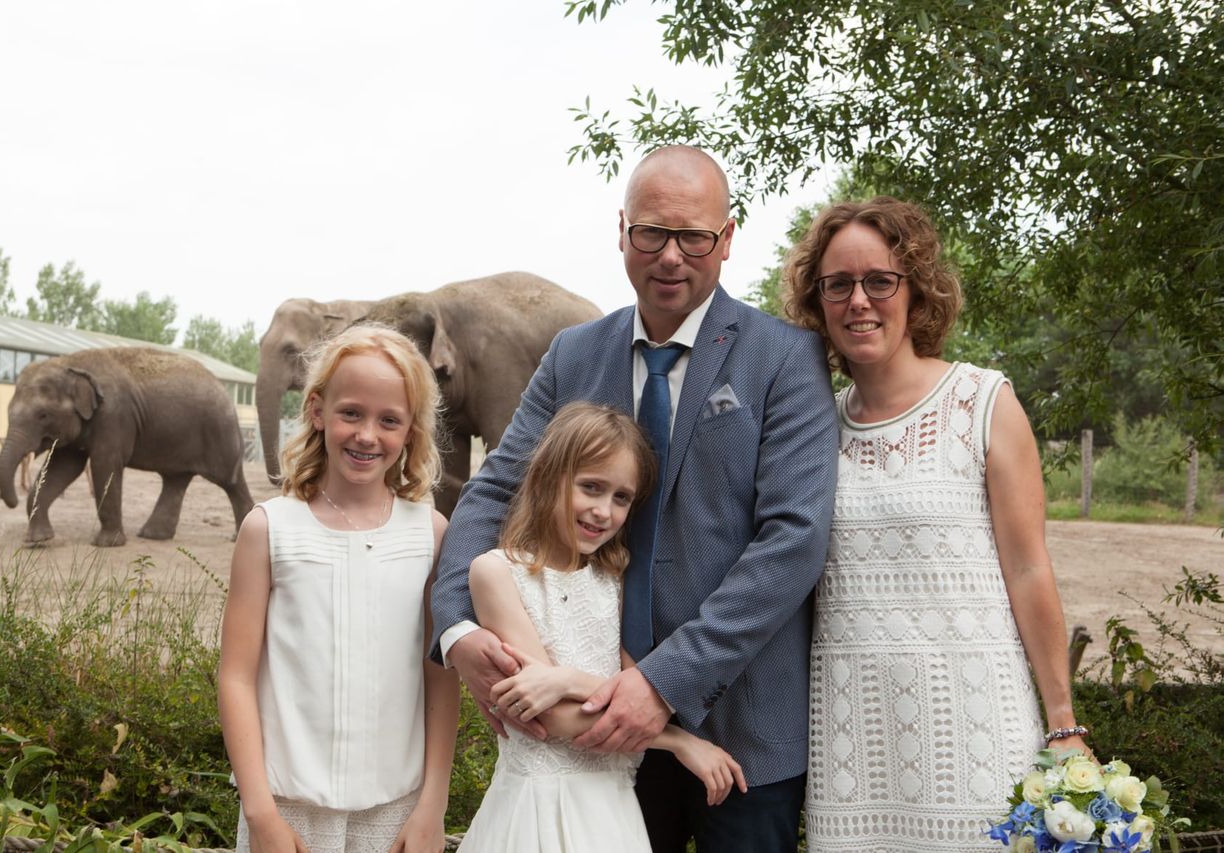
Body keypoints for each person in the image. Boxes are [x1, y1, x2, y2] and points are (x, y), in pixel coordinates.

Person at [431, 145, 839, 852]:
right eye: (652, 232)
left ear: (728, 239)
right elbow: (496, 486)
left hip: (741, 732)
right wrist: (456, 627)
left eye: (694, 236)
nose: (671, 255)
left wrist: (662, 681)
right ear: (622, 230)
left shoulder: (785, 357)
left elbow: (794, 538)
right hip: (587, 735)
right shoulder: (571, 354)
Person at [782, 197, 1091, 852]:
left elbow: (1030, 567)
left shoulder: (983, 402)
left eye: (879, 280)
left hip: (978, 732)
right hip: (853, 747)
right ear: (818, 300)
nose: (858, 300)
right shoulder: (811, 427)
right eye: (838, 284)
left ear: (916, 291)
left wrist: (1063, 725)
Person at [458, 402, 747, 852]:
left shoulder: (614, 577)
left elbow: (633, 690)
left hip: (611, 810)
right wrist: (682, 744)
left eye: (621, 497)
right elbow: (550, 716)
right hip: (539, 806)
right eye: (590, 487)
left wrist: (566, 679)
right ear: (549, 477)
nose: (603, 511)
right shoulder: (496, 572)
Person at [219, 323, 459, 853]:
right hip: (286, 808)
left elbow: (439, 675)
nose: (367, 435)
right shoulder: (268, 529)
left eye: (389, 420)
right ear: (317, 410)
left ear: (412, 431)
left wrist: (432, 808)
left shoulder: (431, 534)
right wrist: (261, 815)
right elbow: (236, 676)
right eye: (351, 412)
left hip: (397, 812)